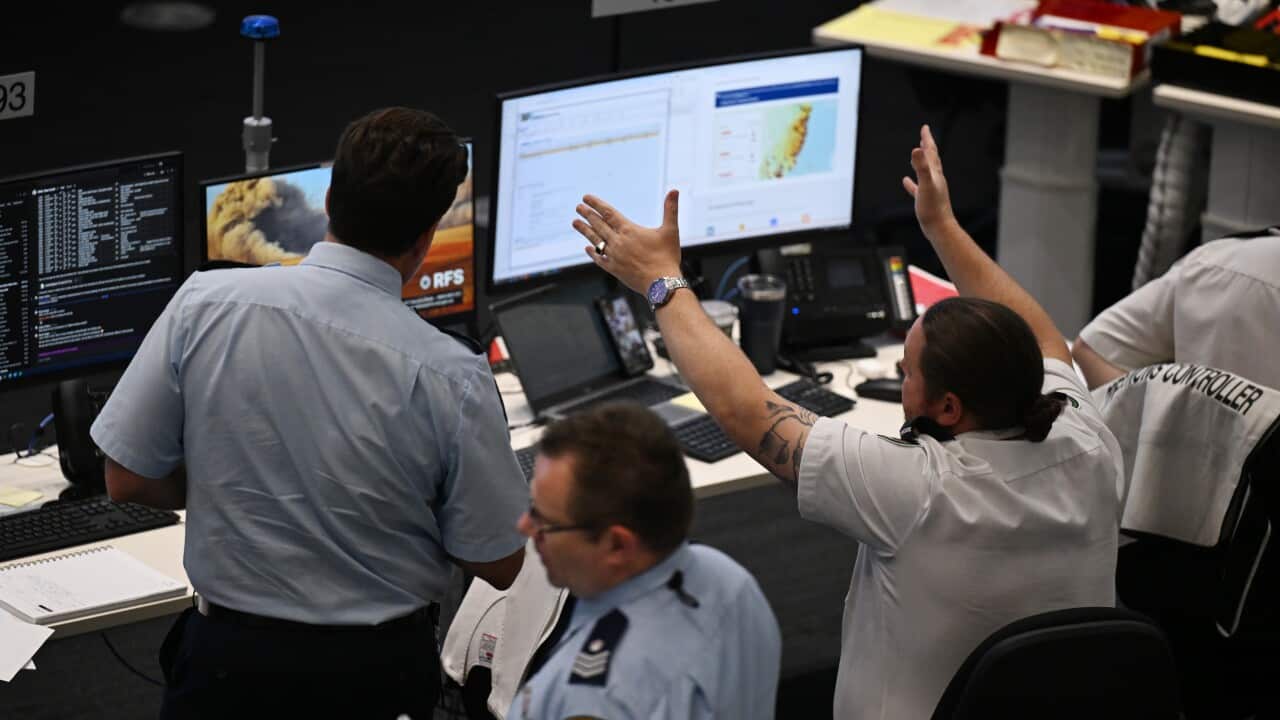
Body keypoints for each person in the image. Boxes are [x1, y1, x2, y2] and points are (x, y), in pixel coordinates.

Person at [570, 125, 1126, 719]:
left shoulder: (920, 491)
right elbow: (1043, 337)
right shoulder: (1087, 436)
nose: (902, 375)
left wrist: (661, 280)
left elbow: (746, 411)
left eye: (907, 370)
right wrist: (941, 226)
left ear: (948, 409)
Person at [90, 107, 527, 719]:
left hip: (222, 667)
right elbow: (502, 561)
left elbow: (127, 476)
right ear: (428, 238)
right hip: (372, 678)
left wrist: (242, 482)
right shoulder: (451, 374)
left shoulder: (203, 303)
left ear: (329, 201)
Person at [509, 403, 781, 720]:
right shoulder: (730, 582)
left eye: (543, 521)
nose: (524, 527)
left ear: (617, 545)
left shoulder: (594, 700)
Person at [1073, 226, 1280, 390]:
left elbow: (1095, 349)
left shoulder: (1214, 261)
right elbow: (1095, 349)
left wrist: (1155, 429)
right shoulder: (1214, 262)